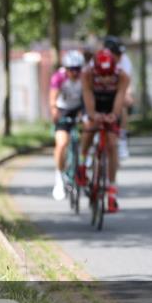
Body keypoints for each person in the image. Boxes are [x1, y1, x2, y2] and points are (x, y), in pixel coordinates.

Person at [77, 48, 129, 213]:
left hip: (111, 104)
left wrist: (113, 115)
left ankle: (112, 191)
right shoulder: (87, 74)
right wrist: (93, 115)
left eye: (109, 75)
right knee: (89, 128)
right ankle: (83, 164)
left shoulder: (122, 76)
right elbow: (87, 96)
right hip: (93, 102)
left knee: (112, 144)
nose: (106, 79)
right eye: (102, 75)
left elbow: (120, 98)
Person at [49, 50, 86, 200]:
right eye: (72, 69)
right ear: (66, 69)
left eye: (78, 69)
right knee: (62, 143)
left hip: (79, 109)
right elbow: (52, 100)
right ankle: (59, 179)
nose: (75, 73)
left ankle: (84, 169)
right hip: (63, 110)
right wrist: (55, 113)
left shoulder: (84, 79)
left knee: (89, 137)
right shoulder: (59, 77)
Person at [104, 36, 134, 160]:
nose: (119, 56)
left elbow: (126, 83)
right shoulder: (98, 60)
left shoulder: (124, 61)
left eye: (120, 53)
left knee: (122, 103)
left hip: (117, 89)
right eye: (117, 54)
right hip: (99, 89)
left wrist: (127, 95)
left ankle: (122, 137)